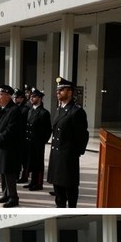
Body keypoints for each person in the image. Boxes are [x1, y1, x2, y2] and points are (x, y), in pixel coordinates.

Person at [47, 76, 89, 208]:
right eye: (57, 90)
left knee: (70, 189)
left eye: (61, 90)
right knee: (58, 191)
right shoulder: (59, 109)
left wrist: (75, 153)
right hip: (57, 156)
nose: (58, 92)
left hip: (67, 157)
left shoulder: (76, 111)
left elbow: (83, 136)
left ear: (70, 92)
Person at [0, 84, 24, 208]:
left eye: (1, 95)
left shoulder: (14, 110)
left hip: (9, 148)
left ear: (8, 96)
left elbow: (11, 130)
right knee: (2, 172)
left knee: (9, 173)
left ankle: (13, 197)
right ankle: (5, 194)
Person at [22, 87, 52, 192]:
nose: (31, 98)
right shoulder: (30, 111)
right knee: (31, 162)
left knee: (38, 164)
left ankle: (38, 183)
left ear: (40, 98)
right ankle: (32, 182)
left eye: (34, 97)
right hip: (29, 142)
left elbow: (48, 130)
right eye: (31, 96)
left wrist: (42, 141)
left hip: (37, 143)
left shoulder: (44, 113)